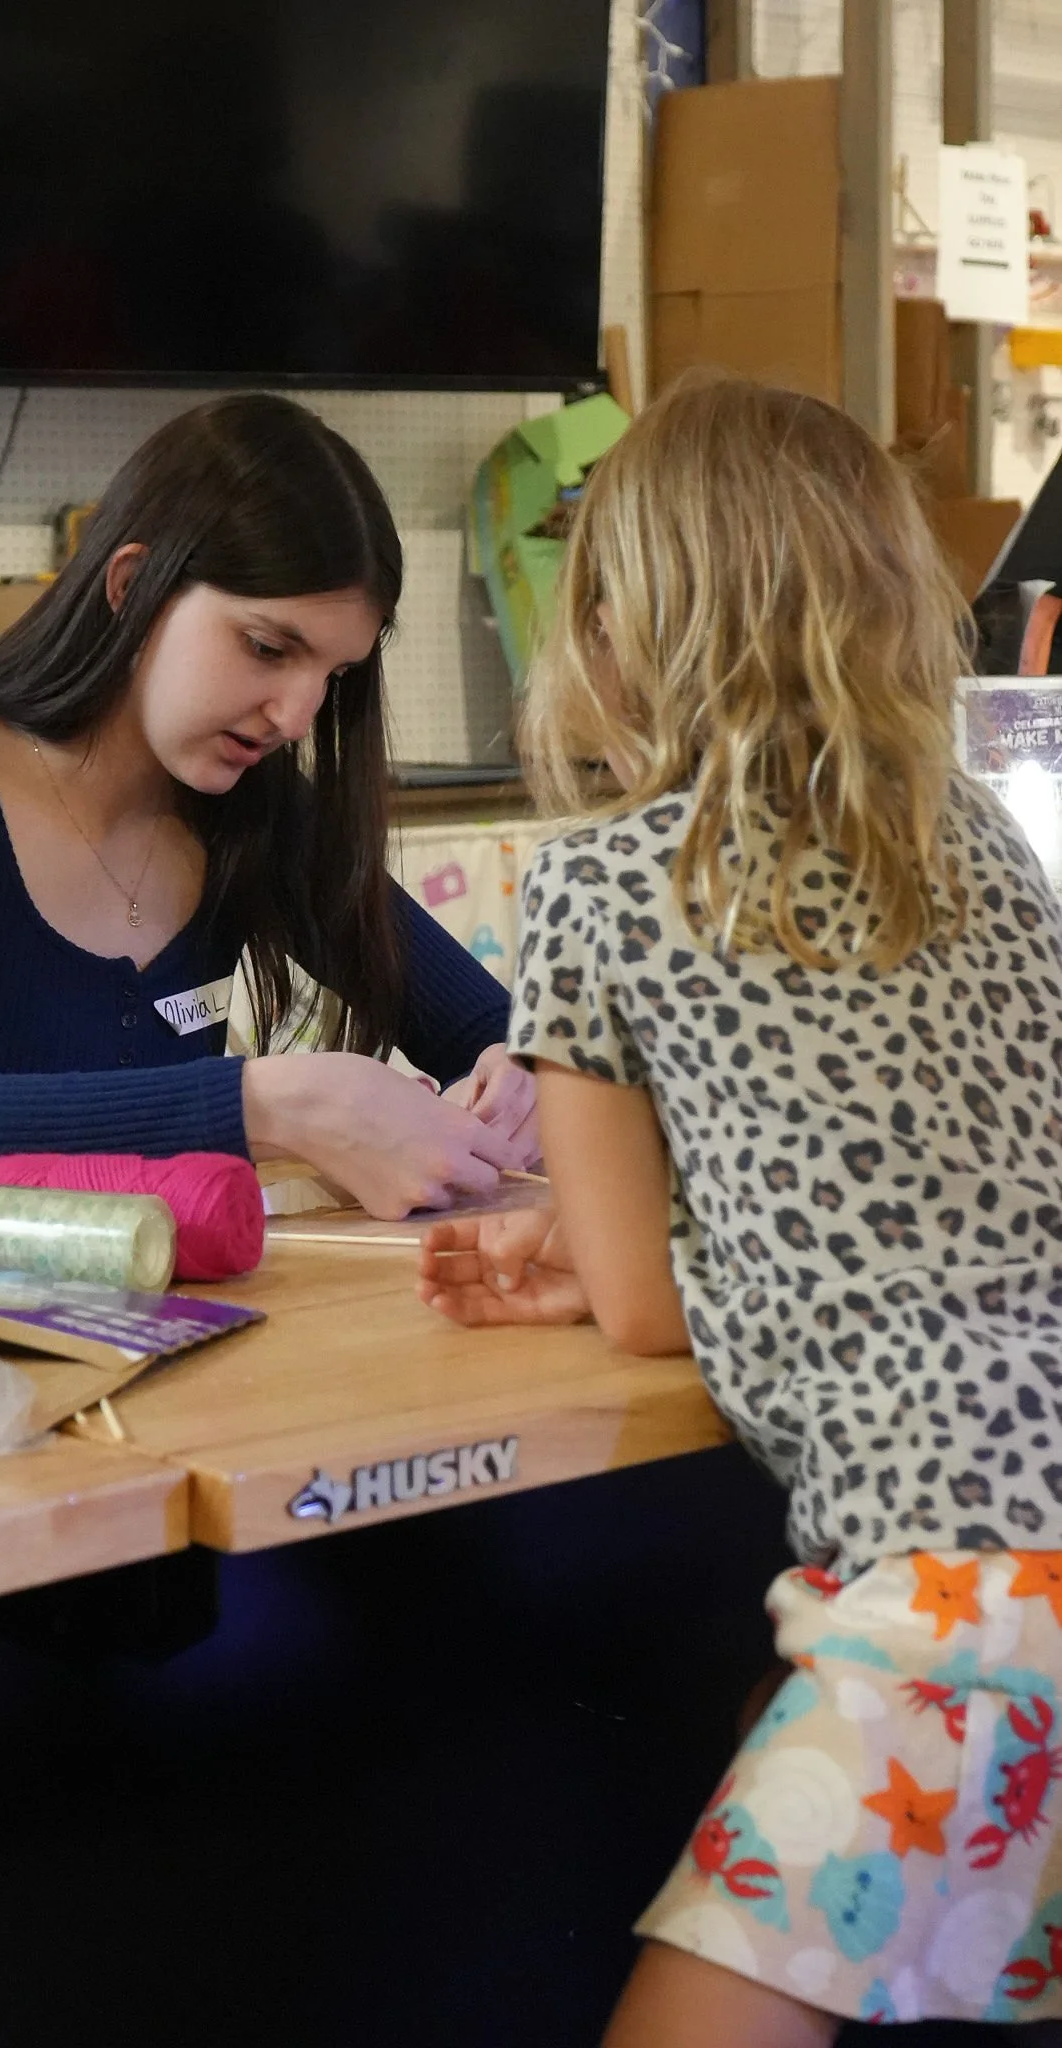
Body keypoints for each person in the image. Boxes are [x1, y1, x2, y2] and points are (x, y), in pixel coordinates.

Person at [418, 374, 1062, 2039]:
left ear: (619, 627)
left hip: (965, 1585)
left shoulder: (593, 882)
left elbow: (645, 1307)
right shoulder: (982, 843)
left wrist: (603, 1257)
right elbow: (942, 1193)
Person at [0, 394, 537, 1218]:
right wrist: (269, 1105)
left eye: (332, 677)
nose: (294, 718)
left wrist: (515, 1082)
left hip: (188, 1286)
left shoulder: (254, 806)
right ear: (131, 585)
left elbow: (488, 1028)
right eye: (266, 647)